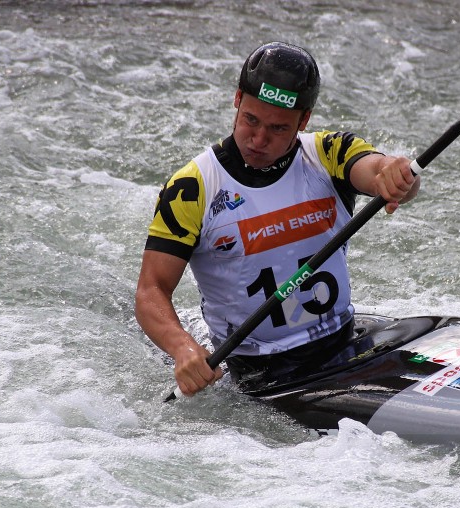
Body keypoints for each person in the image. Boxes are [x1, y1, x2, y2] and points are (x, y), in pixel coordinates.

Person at [135, 41, 420, 397]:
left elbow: (379, 171)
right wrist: (182, 348)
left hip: (343, 341)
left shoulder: (328, 154)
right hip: (258, 370)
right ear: (238, 99)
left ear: (303, 120)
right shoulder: (192, 188)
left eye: (278, 128)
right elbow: (151, 290)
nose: (258, 139)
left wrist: (397, 177)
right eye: (250, 120)